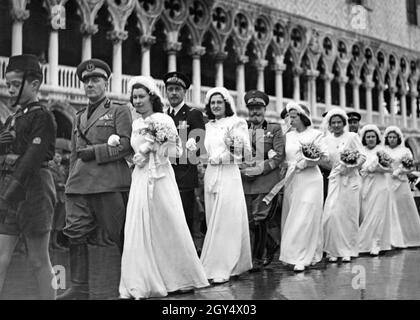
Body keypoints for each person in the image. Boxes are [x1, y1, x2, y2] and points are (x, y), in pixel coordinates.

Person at [119, 76, 209, 299]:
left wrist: (154, 148)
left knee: (167, 224)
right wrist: (135, 158)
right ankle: (143, 278)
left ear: (151, 97)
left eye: (141, 96)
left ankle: (177, 276)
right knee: (139, 225)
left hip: (160, 177)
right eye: (134, 97)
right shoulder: (136, 123)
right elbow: (133, 150)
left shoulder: (163, 120)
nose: (137, 101)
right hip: (141, 178)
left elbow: (176, 152)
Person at [58, 59, 133, 300]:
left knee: (119, 234)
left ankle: (132, 283)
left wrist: (97, 152)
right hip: (80, 185)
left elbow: (125, 145)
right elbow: (73, 154)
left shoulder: (118, 110)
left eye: (95, 80)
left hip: (108, 183)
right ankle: (79, 288)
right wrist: (70, 183)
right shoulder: (78, 116)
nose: (90, 84)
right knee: (75, 234)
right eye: (87, 81)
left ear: (105, 83)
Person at [0, 54, 57, 299]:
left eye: (15, 84)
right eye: (8, 85)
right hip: (10, 191)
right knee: (1, 258)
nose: (10, 90)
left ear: (34, 84)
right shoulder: (14, 117)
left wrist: (7, 196)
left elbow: (31, 159)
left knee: (38, 261)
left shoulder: (43, 117)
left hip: (34, 191)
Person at [200, 87, 252, 284]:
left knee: (227, 218)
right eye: (212, 103)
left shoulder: (236, 122)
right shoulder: (209, 126)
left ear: (226, 104)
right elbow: (206, 150)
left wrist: (223, 157)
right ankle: (214, 263)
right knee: (213, 216)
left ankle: (227, 266)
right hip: (211, 174)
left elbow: (245, 151)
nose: (215, 106)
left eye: (219, 102)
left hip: (229, 174)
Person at [240, 90, 285, 272]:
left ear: (265, 109)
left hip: (266, 182)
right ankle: (271, 243)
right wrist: (242, 168)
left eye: (258, 108)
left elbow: (279, 155)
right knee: (249, 221)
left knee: (260, 219)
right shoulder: (242, 129)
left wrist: (260, 168)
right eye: (251, 109)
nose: (254, 112)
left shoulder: (274, 129)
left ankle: (258, 259)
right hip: (246, 182)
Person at [279, 102, 327, 272]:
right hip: (292, 179)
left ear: (303, 117)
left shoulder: (316, 134)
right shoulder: (287, 136)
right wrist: (288, 164)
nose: (290, 119)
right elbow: (280, 157)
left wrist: (307, 162)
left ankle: (301, 257)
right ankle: (292, 253)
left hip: (311, 180)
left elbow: (324, 158)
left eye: (294, 116)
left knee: (306, 215)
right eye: (288, 116)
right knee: (292, 214)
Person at [321, 108, 366, 263]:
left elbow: (362, 155)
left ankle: (348, 250)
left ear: (344, 123)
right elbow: (325, 160)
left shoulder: (352, 137)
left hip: (351, 180)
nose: (336, 125)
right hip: (335, 179)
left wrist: (351, 165)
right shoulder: (326, 139)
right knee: (331, 214)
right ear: (330, 124)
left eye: (339, 122)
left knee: (348, 216)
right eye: (333, 122)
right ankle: (333, 250)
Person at [164, 72, 206, 239]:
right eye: (170, 89)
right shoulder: (163, 116)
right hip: (165, 174)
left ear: (184, 92)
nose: (173, 93)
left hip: (184, 176)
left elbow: (199, 148)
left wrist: (181, 151)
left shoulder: (193, 114)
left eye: (177, 89)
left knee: (184, 220)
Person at [358, 124, 392, 255]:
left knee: (377, 214)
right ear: (364, 138)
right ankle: (364, 242)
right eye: (368, 137)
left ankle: (376, 243)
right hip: (365, 185)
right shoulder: (361, 151)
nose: (371, 139)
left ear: (377, 137)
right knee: (366, 214)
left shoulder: (382, 151)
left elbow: (390, 168)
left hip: (380, 185)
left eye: (373, 136)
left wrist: (377, 167)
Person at [383, 126, 420, 248]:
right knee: (389, 208)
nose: (392, 139)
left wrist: (399, 171)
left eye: (394, 137)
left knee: (403, 209)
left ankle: (407, 236)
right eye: (390, 137)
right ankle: (391, 238)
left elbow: (410, 166)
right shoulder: (383, 150)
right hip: (387, 181)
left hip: (401, 182)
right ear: (386, 138)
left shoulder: (405, 150)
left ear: (398, 138)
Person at [49, 152, 67, 250]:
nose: (59, 158)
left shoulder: (63, 168)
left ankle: (55, 241)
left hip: (62, 196)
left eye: (60, 156)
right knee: (51, 219)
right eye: (56, 156)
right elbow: (52, 181)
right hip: (54, 194)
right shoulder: (50, 168)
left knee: (59, 220)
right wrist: (59, 185)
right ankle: (49, 243)